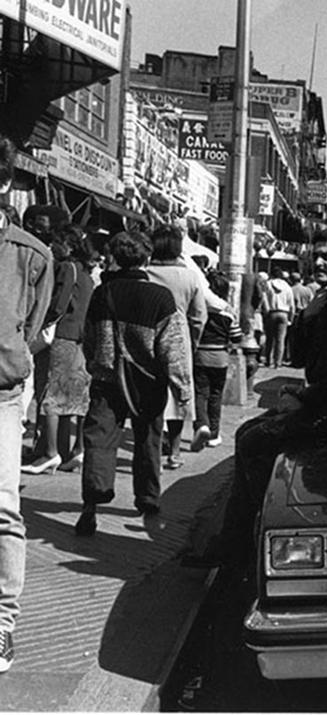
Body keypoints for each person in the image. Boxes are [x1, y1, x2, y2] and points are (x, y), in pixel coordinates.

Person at [184, 230, 327, 567]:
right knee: (249, 434)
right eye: (316, 255)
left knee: (254, 442)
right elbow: (307, 357)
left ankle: (242, 545)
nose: (319, 261)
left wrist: (306, 398)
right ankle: (237, 541)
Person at [76, 231, 191, 536]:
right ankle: (148, 497)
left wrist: (96, 362)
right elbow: (173, 350)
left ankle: (93, 501)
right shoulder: (160, 297)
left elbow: (88, 338)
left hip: (106, 380)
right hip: (148, 382)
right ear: (146, 258)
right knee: (148, 440)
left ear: (115, 257)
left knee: (99, 439)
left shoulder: (103, 293)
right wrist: (183, 391)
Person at [0, 133, 55, 673]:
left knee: (3, 508)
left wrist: (11, 356)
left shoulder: (32, 253)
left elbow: (31, 327)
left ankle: (2, 624)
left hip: (1, 394)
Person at [21, 225, 96, 474]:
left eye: (57, 242)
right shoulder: (86, 273)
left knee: (50, 394)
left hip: (60, 336)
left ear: (69, 245)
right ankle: (68, 451)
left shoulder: (66, 268)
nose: (52, 247)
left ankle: (50, 453)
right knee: (70, 397)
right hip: (79, 339)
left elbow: (58, 305)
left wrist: (38, 324)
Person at [145, 224, 206, 470]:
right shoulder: (190, 277)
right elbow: (199, 315)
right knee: (178, 394)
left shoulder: (145, 272)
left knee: (152, 395)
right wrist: (193, 340)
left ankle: (154, 450)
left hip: (148, 336)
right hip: (180, 338)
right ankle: (175, 451)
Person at [190, 271, 243, 452]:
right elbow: (236, 337)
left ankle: (201, 425)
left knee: (200, 394)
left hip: (200, 357)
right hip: (220, 359)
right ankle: (214, 434)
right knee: (215, 396)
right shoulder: (228, 314)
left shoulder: (199, 309)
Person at [261, 266, 294, 369]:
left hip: (272, 313)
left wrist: (266, 313)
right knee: (280, 340)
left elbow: (264, 299)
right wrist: (290, 318)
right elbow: (292, 305)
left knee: (269, 339)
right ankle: (277, 363)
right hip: (284, 314)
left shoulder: (268, 284)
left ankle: (268, 360)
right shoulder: (287, 287)